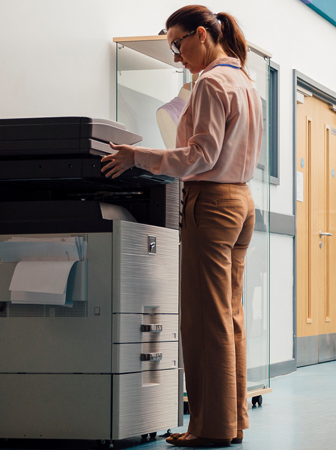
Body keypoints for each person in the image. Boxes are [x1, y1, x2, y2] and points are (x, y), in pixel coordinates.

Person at [101, 5, 262, 445]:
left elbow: (200, 155)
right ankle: (232, 423)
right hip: (242, 202)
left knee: (203, 319)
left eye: (178, 44)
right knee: (229, 316)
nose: (176, 56)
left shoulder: (210, 82)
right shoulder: (245, 80)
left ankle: (210, 429)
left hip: (211, 203)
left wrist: (139, 156)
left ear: (202, 36)